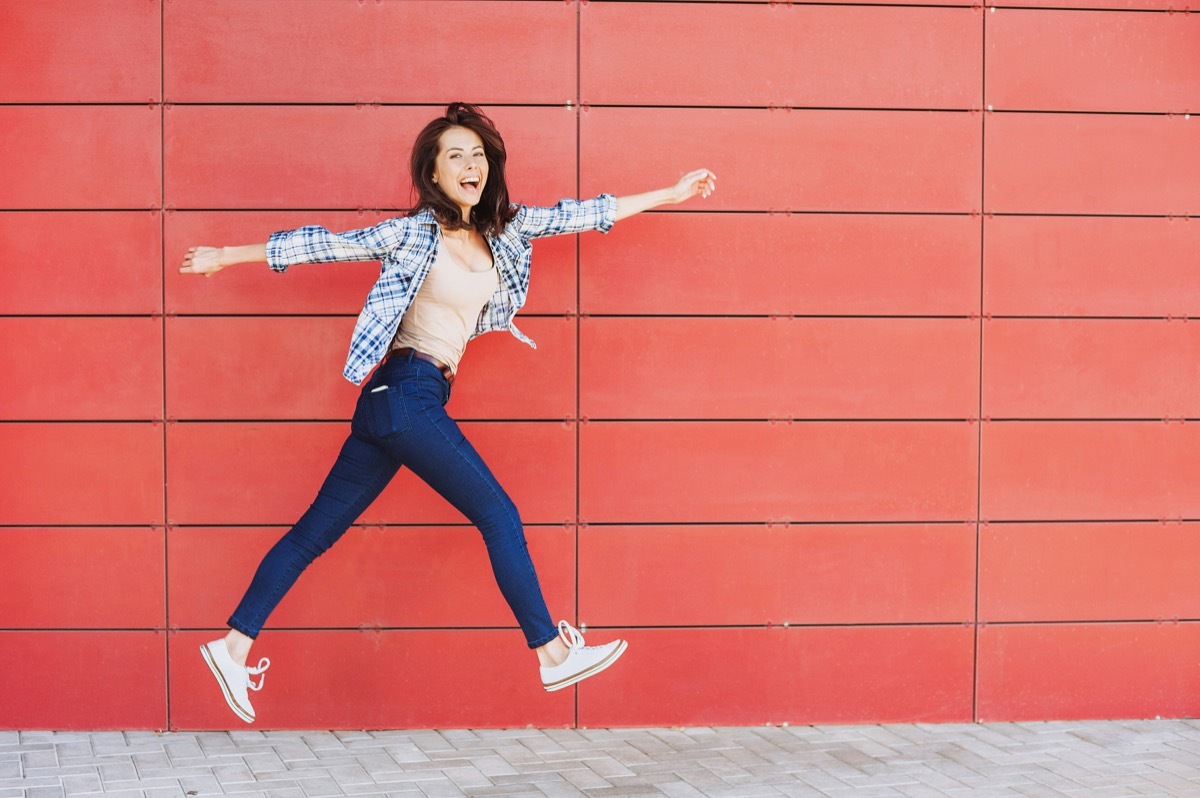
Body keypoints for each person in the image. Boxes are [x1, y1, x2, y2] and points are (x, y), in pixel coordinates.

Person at [180, 102, 716, 724]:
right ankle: (550, 654)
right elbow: (326, 245)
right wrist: (226, 255)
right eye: (455, 154)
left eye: (479, 154)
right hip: (404, 392)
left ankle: (232, 645)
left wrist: (670, 194)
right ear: (433, 173)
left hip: (400, 403)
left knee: (312, 535)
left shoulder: (504, 232)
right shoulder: (412, 232)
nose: (471, 163)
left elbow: (581, 215)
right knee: (497, 512)